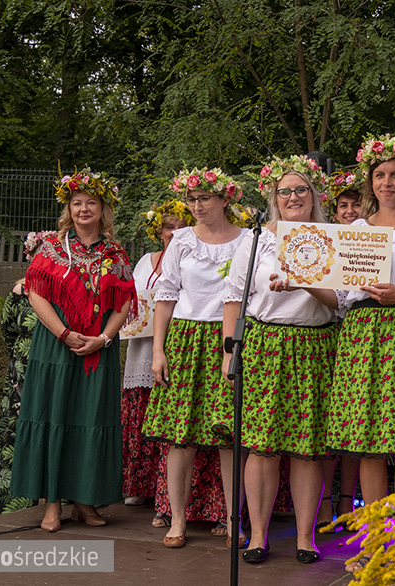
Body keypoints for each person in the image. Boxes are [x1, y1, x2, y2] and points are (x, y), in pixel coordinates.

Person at [296, 134, 395, 572]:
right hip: (363, 334)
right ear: (371, 181)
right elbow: (342, 297)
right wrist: (300, 279)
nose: (388, 183)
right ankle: (374, 541)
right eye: (380, 175)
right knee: (366, 443)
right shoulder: (357, 231)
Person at [222, 155, 337, 565]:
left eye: (301, 189)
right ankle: (257, 535)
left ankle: (305, 537)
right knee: (261, 447)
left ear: (314, 195)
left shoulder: (332, 237)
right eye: (285, 191)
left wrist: (305, 282)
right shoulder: (255, 240)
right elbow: (234, 300)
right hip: (264, 345)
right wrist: (228, 354)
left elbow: (341, 301)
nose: (293, 197)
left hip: (315, 345)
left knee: (307, 446)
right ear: (274, 196)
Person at [11, 167, 137, 532]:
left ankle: (84, 501)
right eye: (77, 203)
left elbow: (124, 302)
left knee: (92, 420)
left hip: (98, 350)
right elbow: (36, 292)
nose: (84, 209)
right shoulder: (52, 246)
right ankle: (52, 502)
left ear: (103, 209)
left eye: (91, 203)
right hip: (55, 348)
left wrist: (104, 339)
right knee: (55, 417)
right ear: (69, 208)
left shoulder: (115, 252)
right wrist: (64, 333)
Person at [141, 168, 249, 549]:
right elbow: (166, 294)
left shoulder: (247, 240)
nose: (198, 205)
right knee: (178, 437)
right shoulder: (182, 240)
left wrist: (234, 346)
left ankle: (234, 520)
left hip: (229, 337)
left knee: (228, 435)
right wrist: (158, 350)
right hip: (185, 338)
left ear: (224, 199)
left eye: (205, 197)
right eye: (192, 199)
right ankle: (178, 519)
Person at [121, 200, 193, 507]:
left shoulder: (191, 259)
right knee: (141, 413)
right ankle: (142, 484)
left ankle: (168, 489)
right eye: (168, 227)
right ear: (159, 231)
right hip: (142, 346)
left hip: (175, 343)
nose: (174, 232)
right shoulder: (144, 262)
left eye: (180, 226)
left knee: (168, 417)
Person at [0, 231, 56, 514]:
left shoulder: (66, 291)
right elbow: (7, 331)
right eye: (40, 255)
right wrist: (20, 360)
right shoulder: (19, 292)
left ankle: (57, 497)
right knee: (16, 433)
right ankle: (15, 501)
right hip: (23, 372)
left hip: (54, 370)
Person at [317, 170, 362, 531]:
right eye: (342, 205)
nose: (348, 210)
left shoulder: (374, 237)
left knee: (354, 424)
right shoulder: (325, 238)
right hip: (325, 333)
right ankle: (320, 504)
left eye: (355, 203)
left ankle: (348, 499)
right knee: (327, 427)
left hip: (361, 336)